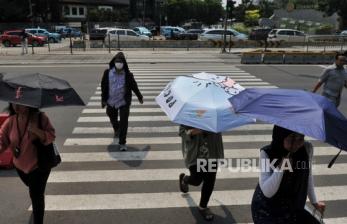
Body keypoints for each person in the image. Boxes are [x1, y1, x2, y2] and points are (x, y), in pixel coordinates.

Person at [251, 125, 325, 224]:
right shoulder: (267, 153)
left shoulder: (307, 148)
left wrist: (314, 202)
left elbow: (307, 176)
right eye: (292, 138)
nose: (297, 144)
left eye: (301, 138)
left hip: (293, 206)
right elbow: (268, 192)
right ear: (280, 136)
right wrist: (280, 169)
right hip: (267, 210)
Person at [0, 103, 55, 224]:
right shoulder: (11, 121)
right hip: (20, 166)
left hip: (39, 166)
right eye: (14, 103)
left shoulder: (41, 118)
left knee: (37, 196)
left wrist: (38, 132)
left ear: (29, 103)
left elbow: (51, 135)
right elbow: (2, 140)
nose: (16, 106)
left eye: (21, 104)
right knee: (33, 190)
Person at [178, 125, 224, 221]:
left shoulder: (214, 112)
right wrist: (195, 131)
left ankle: (203, 207)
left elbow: (219, 132)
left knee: (210, 180)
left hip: (212, 153)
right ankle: (185, 179)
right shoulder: (189, 113)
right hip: (195, 155)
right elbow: (182, 132)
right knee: (196, 180)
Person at [101, 52, 143, 151]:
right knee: (111, 115)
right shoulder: (107, 73)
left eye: (121, 61)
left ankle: (122, 143)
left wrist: (139, 96)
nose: (118, 63)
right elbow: (104, 87)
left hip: (123, 102)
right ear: (114, 62)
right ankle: (116, 128)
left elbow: (134, 86)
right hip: (111, 101)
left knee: (124, 122)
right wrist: (103, 100)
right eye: (117, 61)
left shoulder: (128, 75)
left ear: (124, 63)